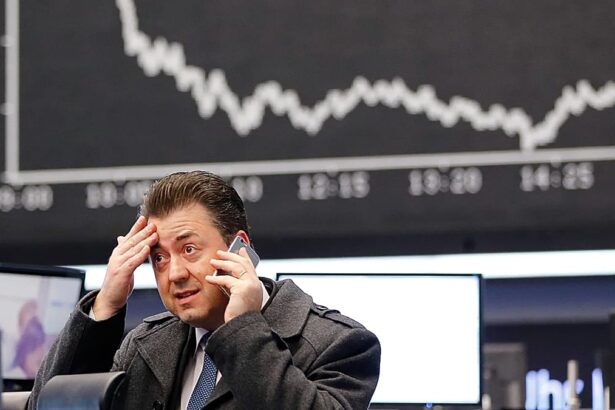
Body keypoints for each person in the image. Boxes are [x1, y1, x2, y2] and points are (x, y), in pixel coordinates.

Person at [29, 171, 380, 409]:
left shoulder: (339, 345)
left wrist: (243, 329)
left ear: (240, 249)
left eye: (189, 249)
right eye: (159, 258)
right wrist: (106, 304)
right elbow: (50, 404)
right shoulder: (145, 344)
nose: (175, 273)